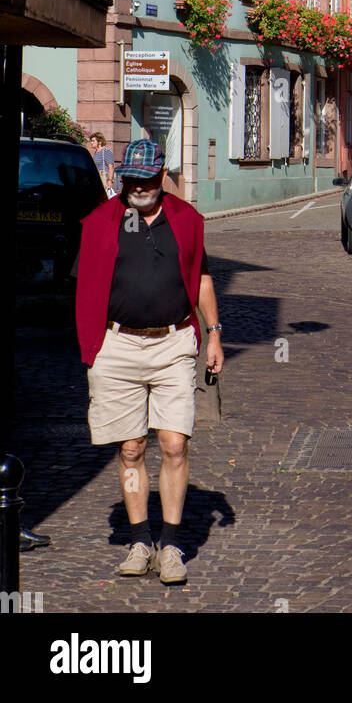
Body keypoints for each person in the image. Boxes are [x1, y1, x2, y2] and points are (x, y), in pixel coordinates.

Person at [74, 139, 224, 584]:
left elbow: (201, 278)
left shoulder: (186, 221)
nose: (138, 186)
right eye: (130, 179)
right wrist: (93, 347)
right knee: (131, 447)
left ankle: (172, 545)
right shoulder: (103, 223)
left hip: (174, 344)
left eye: (146, 178)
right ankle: (141, 541)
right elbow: (83, 286)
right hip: (118, 346)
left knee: (174, 444)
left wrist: (214, 334)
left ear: (162, 176)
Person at [89, 132, 115, 196]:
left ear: (99, 142)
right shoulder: (96, 152)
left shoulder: (106, 151)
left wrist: (109, 180)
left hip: (104, 179)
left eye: (93, 141)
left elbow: (111, 167)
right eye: (91, 141)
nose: (91, 142)